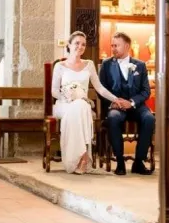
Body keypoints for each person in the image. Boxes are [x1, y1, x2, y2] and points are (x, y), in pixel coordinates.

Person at [51, 31, 129, 174]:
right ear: (69, 45)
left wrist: (115, 99)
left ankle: (82, 158)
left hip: (82, 104)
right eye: (77, 43)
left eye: (83, 44)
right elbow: (54, 91)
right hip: (64, 104)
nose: (80, 46)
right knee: (80, 107)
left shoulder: (89, 65)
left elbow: (99, 88)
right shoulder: (60, 66)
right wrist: (69, 97)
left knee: (81, 106)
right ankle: (82, 156)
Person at [99, 32, 155, 176]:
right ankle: (120, 162)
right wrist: (114, 102)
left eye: (116, 45)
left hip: (136, 106)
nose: (113, 48)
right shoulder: (106, 65)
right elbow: (101, 89)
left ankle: (139, 162)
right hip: (116, 105)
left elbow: (145, 91)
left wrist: (131, 102)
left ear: (127, 46)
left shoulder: (140, 65)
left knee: (149, 119)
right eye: (112, 45)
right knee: (113, 118)